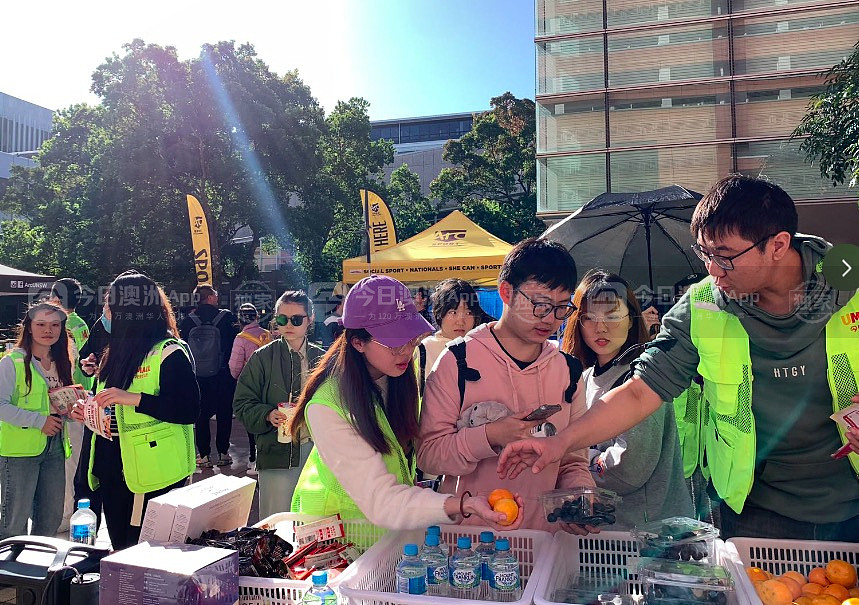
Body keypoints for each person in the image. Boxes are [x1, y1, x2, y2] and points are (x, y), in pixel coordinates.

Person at [498, 175, 859, 541]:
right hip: (754, 508)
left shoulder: (852, 280)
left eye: (726, 257)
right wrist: (562, 442)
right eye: (705, 254)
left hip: (852, 500)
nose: (713, 270)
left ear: (778, 245)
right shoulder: (703, 305)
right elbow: (640, 391)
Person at [288, 274, 521, 535]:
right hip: (337, 542)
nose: (405, 350)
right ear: (357, 343)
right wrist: (462, 504)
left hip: (387, 536)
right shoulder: (328, 406)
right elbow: (382, 501)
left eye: (410, 338)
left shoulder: (398, 375)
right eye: (392, 342)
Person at [417, 238, 594, 533]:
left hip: (545, 544)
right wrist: (490, 435)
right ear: (506, 293)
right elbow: (429, 455)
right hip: (471, 548)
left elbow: (574, 459)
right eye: (540, 304)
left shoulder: (569, 371)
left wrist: (578, 498)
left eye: (562, 307)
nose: (550, 319)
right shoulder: (457, 361)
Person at [72, 271, 199, 549]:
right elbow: (111, 405)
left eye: (110, 305)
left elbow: (188, 409)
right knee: (121, 550)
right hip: (112, 468)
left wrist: (135, 398)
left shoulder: (169, 351)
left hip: (152, 474)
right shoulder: (113, 351)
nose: (105, 312)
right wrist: (89, 411)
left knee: (144, 556)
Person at [560, 269, 692, 528]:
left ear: (631, 320)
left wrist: (580, 460)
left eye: (613, 316)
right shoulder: (584, 378)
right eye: (589, 317)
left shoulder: (642, 379)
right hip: (607, 531)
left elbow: (629, 469)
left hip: (652, 534)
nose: (601, 327)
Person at [233, 290, 323, 518]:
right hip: (276, 453)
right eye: (282, 319)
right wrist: (268, 414)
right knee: (276, 523)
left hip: (318, 454)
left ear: (310, 320)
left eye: (297, 319)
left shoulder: (322, 358)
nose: (289, 325)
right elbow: (242, 403)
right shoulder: (262, 357)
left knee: (315, 521)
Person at [0, 302, 73, 540]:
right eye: (40, 324)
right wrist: (38, 421)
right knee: (14, 522)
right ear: (29, 328)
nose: (48, 330)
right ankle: (10, 574)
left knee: (50, 518)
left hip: (55, 446)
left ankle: (38, 570)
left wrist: (74, 408)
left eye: (54, 325)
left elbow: (58, 400)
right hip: (20, 451)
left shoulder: (61, 361)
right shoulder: (12, 362)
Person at [49, 277, 92, 534]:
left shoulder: (57, 326)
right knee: (73, 462)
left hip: (60, 402)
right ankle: (67, 512)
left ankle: (64, 515)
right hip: (78, 399)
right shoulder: (82, 324)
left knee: (63, 464)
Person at [179, 284, 238, 468]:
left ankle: (203, 455)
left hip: (198, 376)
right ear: (211, 297)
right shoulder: (226, 317)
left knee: (201, 415)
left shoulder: (188, 321)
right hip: (222, 375)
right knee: (224, 413)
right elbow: (234, 344)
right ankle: (223, 453)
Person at [415, 279, 488, 391]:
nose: (461, 321)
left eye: (468, 313)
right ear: (439, 313)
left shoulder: (482, 349)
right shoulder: (424, 349)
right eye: (453, 312)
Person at [229, 303, 271, 476]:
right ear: (256, 317)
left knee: (252, 421)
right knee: (269, 419)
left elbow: (234, 367)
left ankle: (254, 460)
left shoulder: (241, 338)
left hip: (250, 386)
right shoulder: (267, 335)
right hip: (269, 384)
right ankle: (267, 457)